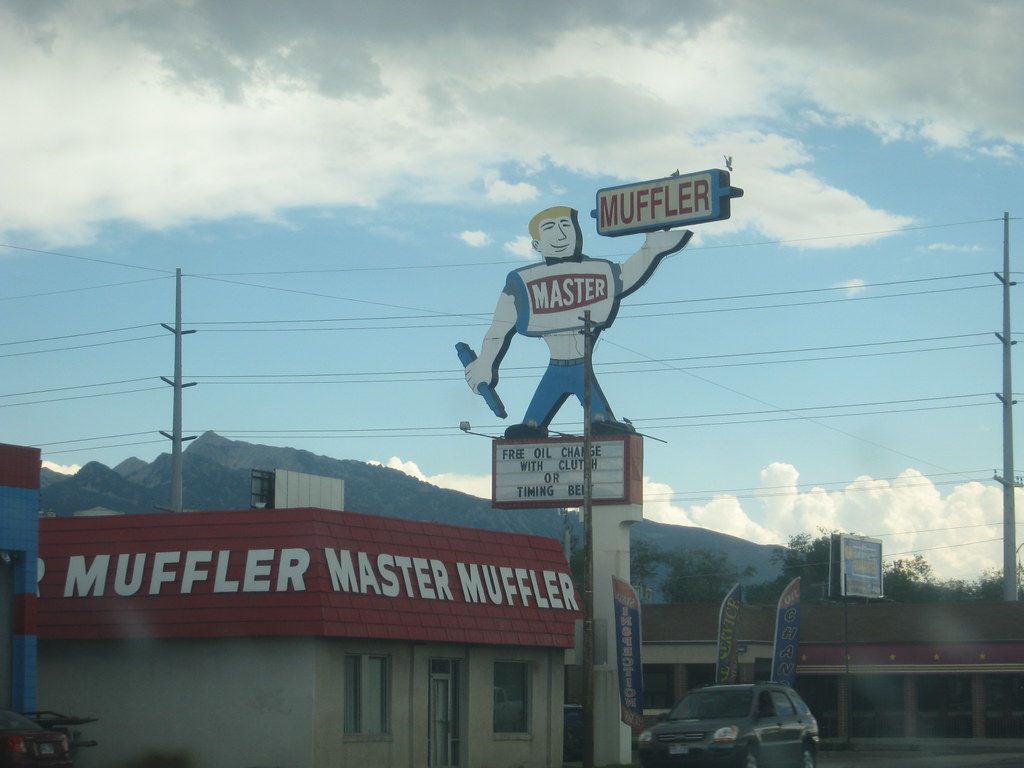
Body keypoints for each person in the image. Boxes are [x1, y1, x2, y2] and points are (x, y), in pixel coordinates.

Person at [463, 206, 692, 438]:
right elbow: (499, 327)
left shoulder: (598, 271)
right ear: (536, 245)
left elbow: (627, 275)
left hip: (578, 363)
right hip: (560, 365)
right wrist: (485, 363)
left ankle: (553, 423)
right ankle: (544, 424)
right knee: (553, 410)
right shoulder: (520, 283)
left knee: (579, 410)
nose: (561, 236)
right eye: (550, 228)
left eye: (566, 226)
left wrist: (652, 248)